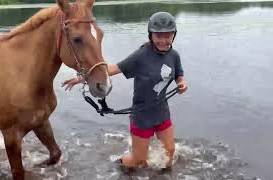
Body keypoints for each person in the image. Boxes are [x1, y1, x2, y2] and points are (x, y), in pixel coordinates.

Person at [62, 12, 188, 170]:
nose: (163, 40)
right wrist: (83, 77)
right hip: (142, 116)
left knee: (170, 151)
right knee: (138, 161)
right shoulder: (142, 55)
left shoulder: (174, 55)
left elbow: (179, 74)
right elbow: (113, 68)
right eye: (158, 36)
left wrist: (182, 83)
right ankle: (119, 165)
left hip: (162, 112)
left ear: (173, 36)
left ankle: (163, 174)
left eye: (167, 36)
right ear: (151, 35)